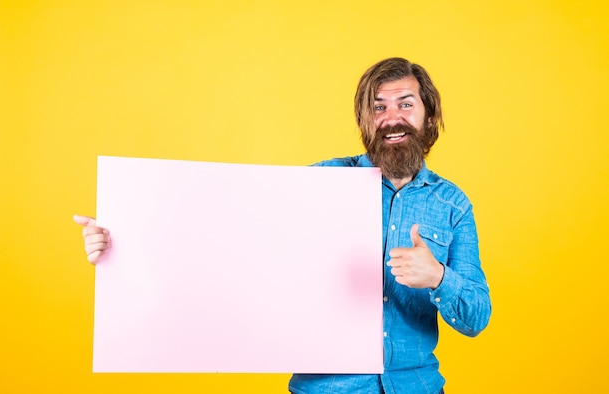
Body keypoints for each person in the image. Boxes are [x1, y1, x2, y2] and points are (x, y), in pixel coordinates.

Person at [74, 57, 491, 394]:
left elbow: (477, 318)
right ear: (366, 120)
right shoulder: (319, 184)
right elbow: (217, 235)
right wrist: (120, 241)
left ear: (429, 115)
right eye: (378, 107)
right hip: (326, 389)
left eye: (405, 103)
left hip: (416, 387)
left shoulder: (452, 205)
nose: (391, 117)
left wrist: (438, 277)